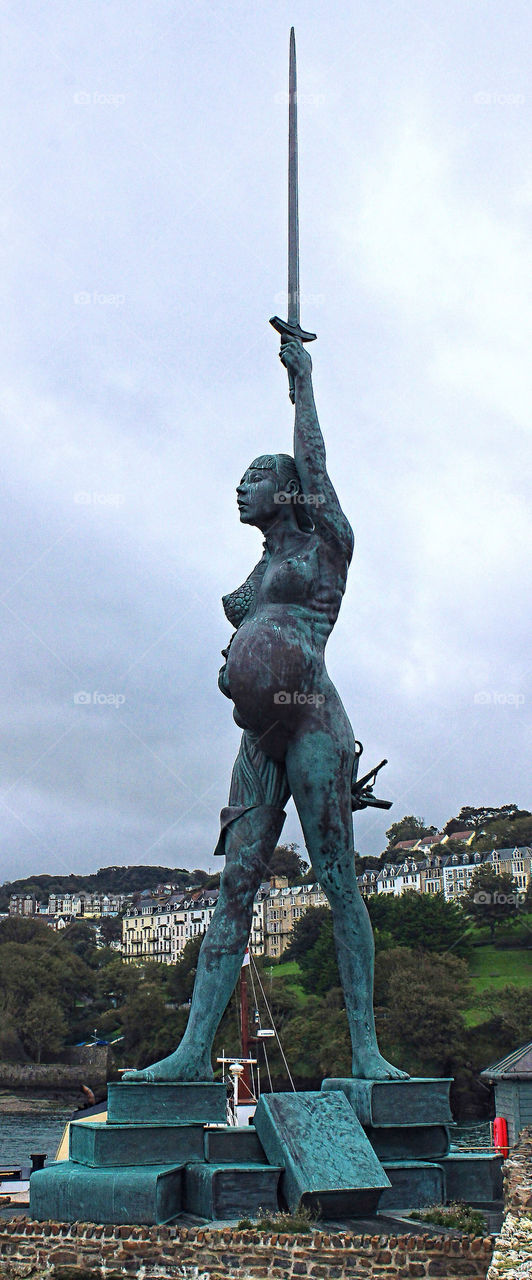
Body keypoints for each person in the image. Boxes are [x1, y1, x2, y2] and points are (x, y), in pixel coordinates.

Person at [124, 340, 407, 1083]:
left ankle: (366, 1051)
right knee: (235, 887)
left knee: (338, 880)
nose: (240, 488)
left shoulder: (324, 546)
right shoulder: (256, 571)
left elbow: (315, 462)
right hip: (257, 737)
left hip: (313, 722)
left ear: (289, 491)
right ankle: (191, 1053)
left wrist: (302, 385)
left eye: (254, 477)